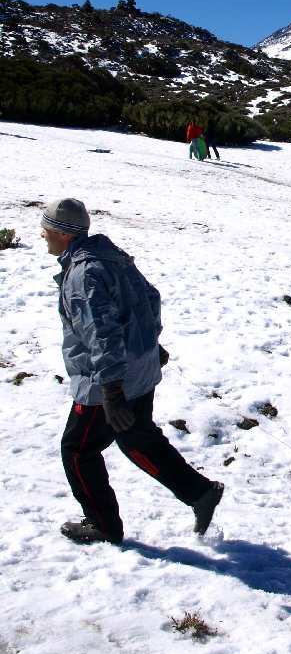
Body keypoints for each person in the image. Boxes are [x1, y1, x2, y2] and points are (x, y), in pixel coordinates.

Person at [41, 198, 224, 546]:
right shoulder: (112, 257)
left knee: (77, 450)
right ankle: (200, 493)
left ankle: (102, 524)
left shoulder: (83, 273)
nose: (43, 235)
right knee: (136, 437)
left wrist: (110, 392)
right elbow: (148, 298)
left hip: (108, 381)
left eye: (47, 230)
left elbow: (101, 333)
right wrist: (149, 344)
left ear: (64, 235)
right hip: (139, 370)